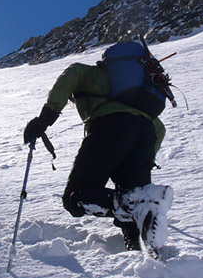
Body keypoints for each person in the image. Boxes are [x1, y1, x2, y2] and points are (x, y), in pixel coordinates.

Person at [23, 45, 174, 254]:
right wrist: (143, 160)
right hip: (145, 136)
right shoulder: (137, 98)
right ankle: (143, 253)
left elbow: (72, 73)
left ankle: (138, 204)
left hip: (110, 128)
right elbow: (160, 128)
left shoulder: (94, 75)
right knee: (132, 197)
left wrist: (44, 120)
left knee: (77, 197)